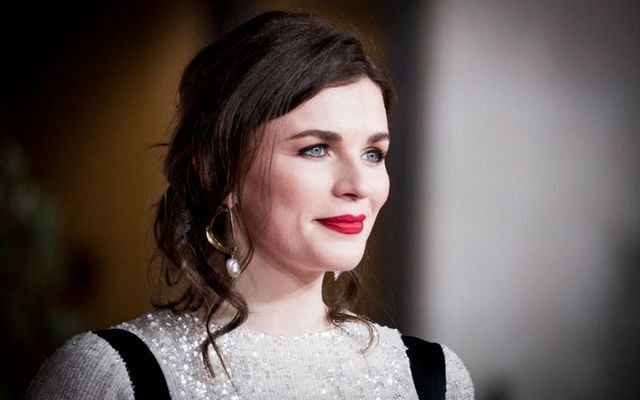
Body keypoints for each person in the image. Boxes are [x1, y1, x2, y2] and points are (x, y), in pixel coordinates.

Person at [26, 10, 474, 400]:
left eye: (373, 153)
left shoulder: (434, 378)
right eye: (316, 149)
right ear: (220, 171)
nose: (359, 185)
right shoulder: (109, 375)